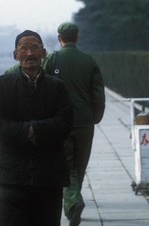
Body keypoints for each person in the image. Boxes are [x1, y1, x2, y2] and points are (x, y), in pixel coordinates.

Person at [0, 30, 73, 226]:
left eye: (34, 47)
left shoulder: (57, 87)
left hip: (49, 177)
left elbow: (65, 122)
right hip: (10, 177)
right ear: (15, 55)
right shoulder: (2, 84)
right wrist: (27, 132)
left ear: (43, 53)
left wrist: (36, 130)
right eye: (23, 48)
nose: (29, 54)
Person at [42, 23, 105, 226]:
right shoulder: (89, 60)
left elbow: (42, 86)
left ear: (59, 37)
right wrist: (95, 117)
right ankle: (72, 203)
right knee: (79, 164)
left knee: (65, 165)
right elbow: (98, 93)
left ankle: (73, 202)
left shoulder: (53, 58)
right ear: (77, 37)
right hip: (85, 122)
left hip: (61, 122)